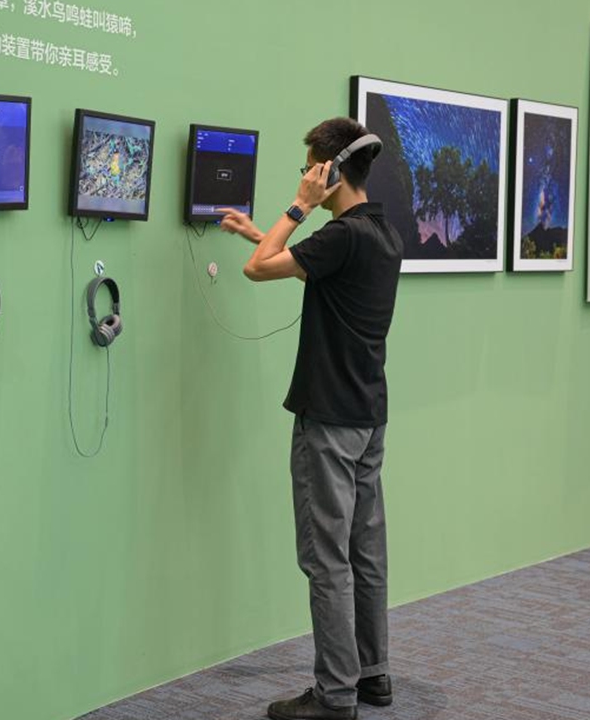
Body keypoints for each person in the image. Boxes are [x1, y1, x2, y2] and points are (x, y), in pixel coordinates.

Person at [218, 117, 403, 720]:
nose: (302, 178)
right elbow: (298, 261)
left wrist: (296, 208)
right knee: (364, 551)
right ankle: (373, 677)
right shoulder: (379, 233)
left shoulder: (337, 235)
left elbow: (260, 270)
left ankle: (334, 696)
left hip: (327, 420)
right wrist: (258, 232)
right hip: (368, 417)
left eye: (308, 169)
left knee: (326, 559)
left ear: (327, 172)